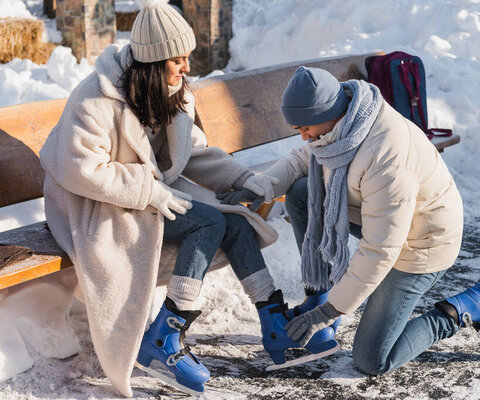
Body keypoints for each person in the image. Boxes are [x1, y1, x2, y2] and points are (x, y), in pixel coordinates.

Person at [38, 1, 337, 396]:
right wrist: (147, 189)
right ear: (151, 61)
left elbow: (195, 153)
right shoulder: (95, 98)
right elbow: (81, 170)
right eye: (177, 60)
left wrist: (245, 178)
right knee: (209, 221)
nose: (185, 68)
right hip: (97, 205)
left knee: (233, 220)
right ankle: (165, 337)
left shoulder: (172, 92)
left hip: (148, 195)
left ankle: (274, 324)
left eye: (186, 58)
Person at [243, 66, 480, 376]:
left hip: (422, 242)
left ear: (329, 112)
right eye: (298, 128)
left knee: (372, 359)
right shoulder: (341, 125)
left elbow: (380, 249)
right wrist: (259, 188)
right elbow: (304, 158)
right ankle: (319, 293)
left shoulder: (386, 156)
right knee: (303, 192)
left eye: (305, 127)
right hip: (384, 220)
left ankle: (470, 307)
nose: (304, 136)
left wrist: (329, 312)